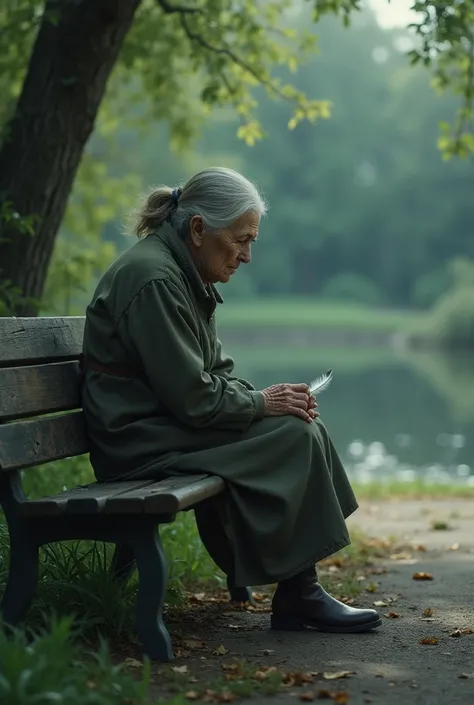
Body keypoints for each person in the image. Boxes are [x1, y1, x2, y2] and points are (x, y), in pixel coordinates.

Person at [81, 166, 381, 634]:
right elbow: (196, 400)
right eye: (241, 240)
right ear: (199, 229)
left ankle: (299, 591)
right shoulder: (155, 279)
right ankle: (300, 595)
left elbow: (213, 374)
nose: (247, 255)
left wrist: (268, 400)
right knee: (293, 433)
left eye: (252, 241)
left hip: (162, 425)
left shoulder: (182, 270)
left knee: (300, 424)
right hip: (138, 440)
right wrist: (264, 404)